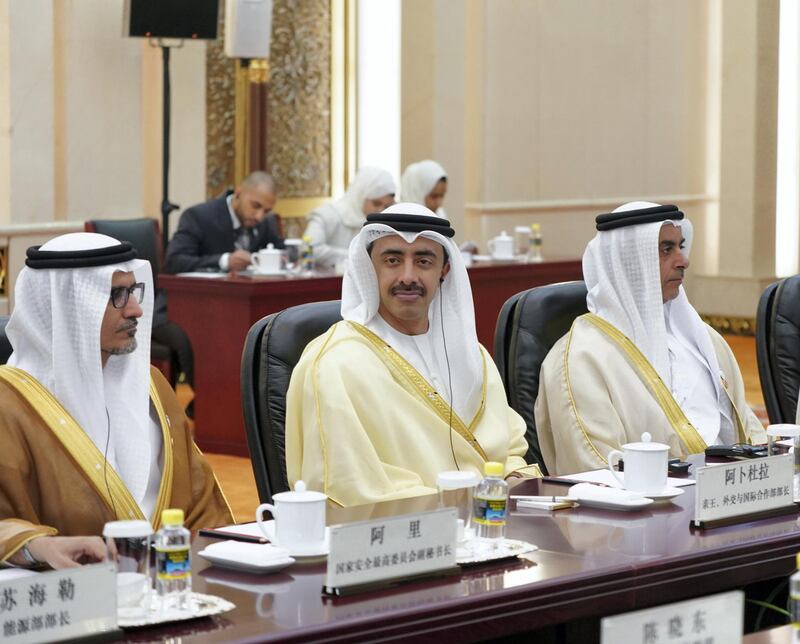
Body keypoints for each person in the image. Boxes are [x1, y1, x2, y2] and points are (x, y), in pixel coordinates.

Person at [0, 233, 233, 569]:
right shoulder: (10, 404)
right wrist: (34, 546)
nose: (136, 309)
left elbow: (201, 504)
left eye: (134, 291)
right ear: (68, 305)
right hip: (74, 599)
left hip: (177, 585)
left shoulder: (151, 385)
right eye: (116, 296)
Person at [286, 203, 539, 506]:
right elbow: (351, 490)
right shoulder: (336, 364)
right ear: (370, 267)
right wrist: (460, 510)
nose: (408, 276)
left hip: (489, 526)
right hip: (403, 539)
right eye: (392, 260)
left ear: (444, 270)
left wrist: (511, 483)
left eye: (423, 261)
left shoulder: (470, 355)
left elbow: (508, 451)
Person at [535, 202, 766, 474]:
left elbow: (749, 431)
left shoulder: (705, 339)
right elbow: (597, 472)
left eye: (680, 246)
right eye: (666, 250)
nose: (683, 260)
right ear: (629, 262)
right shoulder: (580, 359)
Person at [164, 171, 284, 274]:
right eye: (255, 206)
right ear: (238, 193)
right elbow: (174, 261)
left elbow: (281, 250)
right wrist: (224, 261)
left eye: (267, 211)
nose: (259, 216)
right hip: (200, 296)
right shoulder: (198, 217)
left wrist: (284, 257)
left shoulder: (267, 221)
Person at [303, 166, 395, 269]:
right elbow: (309, 249)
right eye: (376, 203)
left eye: (387, 206)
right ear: (360, 196)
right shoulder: (327, 216)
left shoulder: (386, 222)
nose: (381, 210)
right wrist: (357, 257)